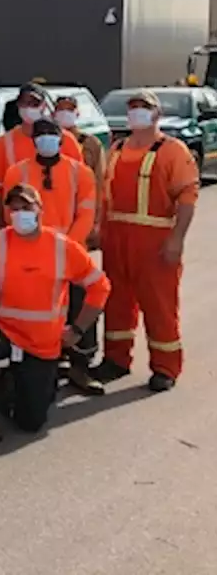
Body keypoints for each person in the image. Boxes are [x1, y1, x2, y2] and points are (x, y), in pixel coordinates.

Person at [0, 184, 110, 438]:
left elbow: (100, 287)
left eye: (27, 207)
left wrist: (77, 330)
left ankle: (24, 385)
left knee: (31, 422)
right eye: (14, 209)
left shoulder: (62, 247)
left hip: (42, 344)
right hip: (1, 332)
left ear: (40, 210)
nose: (20, 213)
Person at [94, 89, 199, 392]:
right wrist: (100, 230)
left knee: (159, 305)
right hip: (117, 238)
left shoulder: (173, 151)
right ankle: (116, 359)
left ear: (156, 114)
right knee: (116, 302)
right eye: (133, 107)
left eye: (144, 107)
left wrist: (177, 240)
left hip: (155, 240)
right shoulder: (116, 149)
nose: (137, 112)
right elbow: (105, 196)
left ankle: (165, 366)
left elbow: (187, 198)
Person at [1, 118, 101, 394]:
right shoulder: (16, 172)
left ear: (61, 138)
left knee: (81, 302)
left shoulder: (80, 173)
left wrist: (65, 247)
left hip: (70, 250)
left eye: (51, 134)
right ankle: (39, 362)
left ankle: (81, 365)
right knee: (33, 308)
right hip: (28, 250)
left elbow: (86, 213)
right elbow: (10, 214)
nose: (46, 139)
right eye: (40, 135)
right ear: (33, 140)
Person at [0, 84, 83, 226]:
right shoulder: (4, 143)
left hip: (61, 227)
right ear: (18, 105)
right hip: (20, 225)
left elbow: (81, 187)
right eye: (25, 103)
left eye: (34, 103)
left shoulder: (67, 141)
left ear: (44, 106)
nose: (29, 107)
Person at [53, 93, 106, 250]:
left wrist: (96, 221)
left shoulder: (90, 144)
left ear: (77, 113)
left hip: (80, 213)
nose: (65, 113)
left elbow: (99, 182)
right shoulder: (43, 141)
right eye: (60, 109)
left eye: (69, 109)